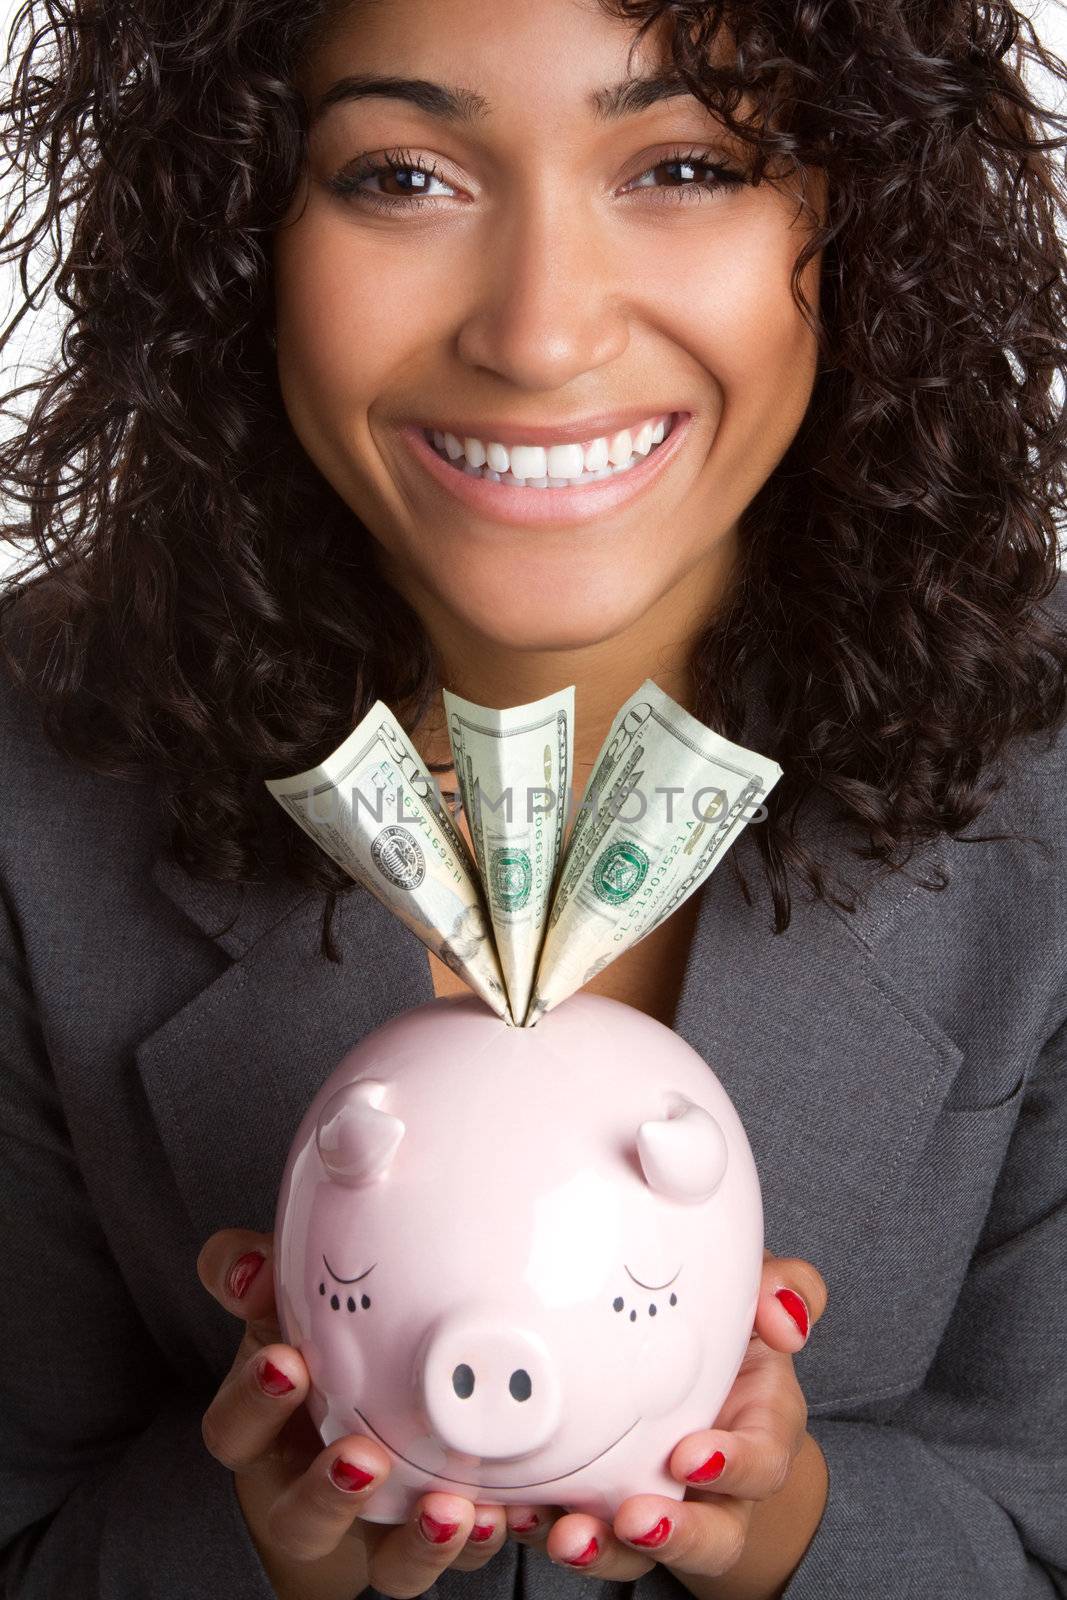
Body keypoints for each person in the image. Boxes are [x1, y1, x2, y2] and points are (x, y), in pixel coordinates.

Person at [1, 0, 1065, 1596]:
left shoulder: (1050, 770)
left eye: (690, 164)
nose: (542, 332)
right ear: (238, 225)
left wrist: (790, 1539)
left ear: (859, 216)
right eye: (405, 176)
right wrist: (254, 1547)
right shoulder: (33, 773)